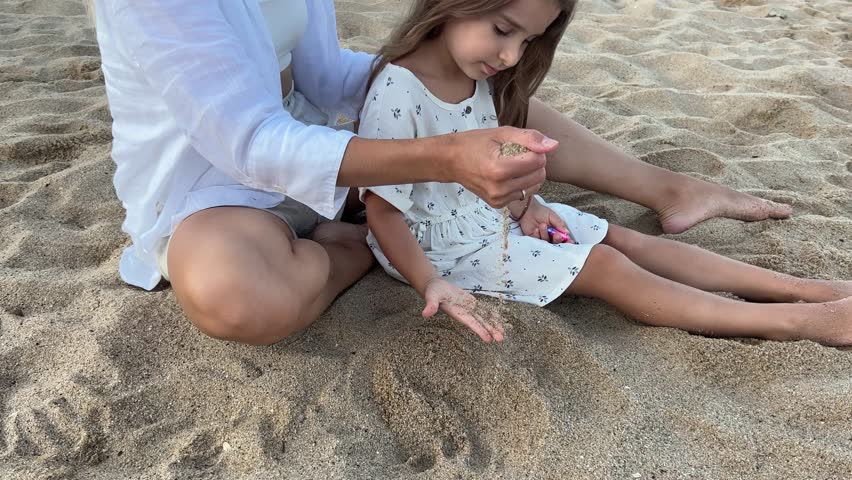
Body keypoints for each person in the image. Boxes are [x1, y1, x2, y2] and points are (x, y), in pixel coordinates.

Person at [86, 0, 792, 346]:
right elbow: (249, 142)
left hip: (309, 142)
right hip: (215, 192)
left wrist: (431, 92)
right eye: (507, 28)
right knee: (234, 297)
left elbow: (327, 75)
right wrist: (443, 156)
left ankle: (668, 188)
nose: (516, 49)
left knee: (464, 93)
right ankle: (356, 245)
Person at [359, 0, 852, 346]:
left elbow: (490, 168)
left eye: (527, 40)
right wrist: (430, 283)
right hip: (436, 250)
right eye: (504, 30)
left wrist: (529, 206)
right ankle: (794, 321)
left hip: (487, 219)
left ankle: (805, 290)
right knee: (607, 268)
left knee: (623, 240)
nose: (511, 56)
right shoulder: (399, 89)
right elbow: (382, 214)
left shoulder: (479, 74)